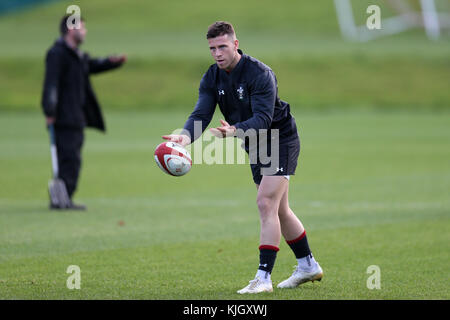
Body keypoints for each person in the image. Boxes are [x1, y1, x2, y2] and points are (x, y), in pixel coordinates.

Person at [162, 21, 323, 294]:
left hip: (278, 138)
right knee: (279, 209)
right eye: (212, 48)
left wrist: (234, 131)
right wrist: (185, 138)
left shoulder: (260, 74)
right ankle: (308, 265)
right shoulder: (211, 77)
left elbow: (263, 119)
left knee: (265, 203)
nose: (217, 53)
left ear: (235, 44)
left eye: (222, 46)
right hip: (254, 143)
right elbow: (201, 114)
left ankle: (263, 278)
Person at [41, 15, 127, 210]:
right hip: (63, 116)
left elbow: (92, 66)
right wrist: (49, 110)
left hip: (76, 116)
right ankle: (61, 199)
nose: (85, 31)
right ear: (71, 29)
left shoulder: (76, 55)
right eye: (82, 27)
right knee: (68, 158)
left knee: (73, 157)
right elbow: (51, 84)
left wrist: (111, 62)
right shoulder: (57, 54)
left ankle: (65, 197)